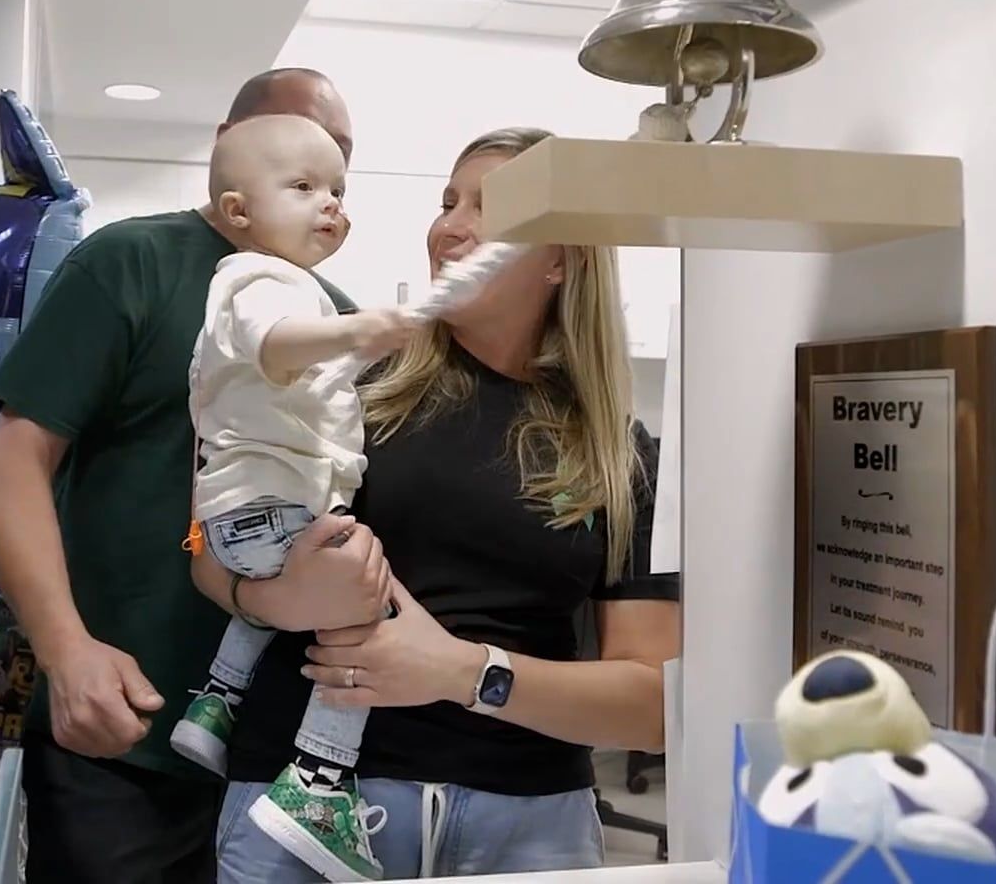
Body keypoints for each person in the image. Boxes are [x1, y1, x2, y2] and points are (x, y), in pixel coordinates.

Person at [206, 128, 683, 881]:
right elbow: (204, 542)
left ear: (562, 259)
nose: (450, 228)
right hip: (310, 807)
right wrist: (270, 596)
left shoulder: (616, 453)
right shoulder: (342, 387)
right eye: (448, 202)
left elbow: (651, 707)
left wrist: (465, 672)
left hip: (528, 823)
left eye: (489, 207)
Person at [0, 68, 394, 883]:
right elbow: (12, 461)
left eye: (337, 161)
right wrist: (66, 650)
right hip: (125, 728)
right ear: (227, 154)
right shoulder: (131, 263)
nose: (322, 179)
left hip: (273, 754)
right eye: (296, 149)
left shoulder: (334, 314)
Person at [166, 114, 410, 880]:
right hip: (268, 507)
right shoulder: (258, 280)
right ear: (238, 212)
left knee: (280, 603)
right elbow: (275, 347)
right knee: (367, 618)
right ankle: (319, 780)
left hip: (248, 514)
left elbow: (298, 380)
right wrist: (358, 330)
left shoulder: (289, 289)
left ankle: (215, 703)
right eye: (302, 186)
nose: (330, 203)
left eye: (337, 189)